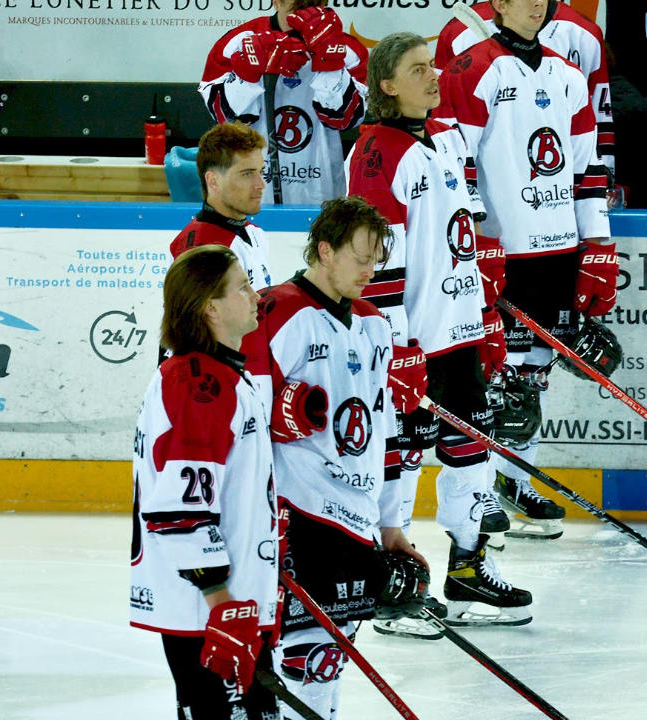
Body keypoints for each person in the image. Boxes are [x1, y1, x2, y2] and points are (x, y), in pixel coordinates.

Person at [348, 32, 529, 632]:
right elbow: (373, 262)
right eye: (417, 69)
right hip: (414, 343)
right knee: (400, 459)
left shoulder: (444, 139)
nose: (433, 76)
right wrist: (396, 346)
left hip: (459, 333)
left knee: (471, 447)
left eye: (433, 66)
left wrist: (484, 316)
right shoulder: (374, 153)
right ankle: (394, 589)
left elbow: (462, 240)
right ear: (386, 85)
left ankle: (468, 571)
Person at [435, 0, 616, 544]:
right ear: (500, 3)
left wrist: (597, 245)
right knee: (496, 378)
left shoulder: (567, 74)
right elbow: (456, 163)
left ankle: (515, 480)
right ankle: (482, 489)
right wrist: (474, 243)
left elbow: (587, 167)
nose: (536, 3)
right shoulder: (471, 68)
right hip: (503, 251)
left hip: (557, 250)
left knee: (532, 377)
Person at [243, 195, 431, 717]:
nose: (371, 271)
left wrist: (392, 526)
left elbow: (383, 431)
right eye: (361, 258)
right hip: (296, 514)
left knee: (333, 652)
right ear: (325, 250)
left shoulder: (374, 322)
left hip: (358, 519)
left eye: (377, 260)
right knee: (308, 656)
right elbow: (243, 425)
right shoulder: (274, 313)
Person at [130, 244, 279, 719]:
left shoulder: (218, 375)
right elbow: (179, 511)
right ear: (210, 307)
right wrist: (220, 603)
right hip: (208, 611)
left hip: (226, 605)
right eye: (243, 287)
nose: (256, 296)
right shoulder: (201, 386)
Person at [199, 0, 367, 206]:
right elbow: (225, 119)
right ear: (276, 2)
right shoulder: (239, 41)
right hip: (250, 191)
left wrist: (331, 62)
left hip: (320, 190)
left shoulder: (346, 47)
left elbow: (346, 119)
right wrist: (246, 74)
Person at [436, 0, 615, 174]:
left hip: (558, 178)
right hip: (493, 180)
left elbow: (597, 117)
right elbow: (443, 126)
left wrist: (604, 175)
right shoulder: (458, 33)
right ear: (500, 4)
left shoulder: (584, 35)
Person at [170, 122, 276, 292]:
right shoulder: (202, 256)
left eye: (261, 172)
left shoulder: (254, 233)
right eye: (247, 174)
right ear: (214, 181)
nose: (261, 184)